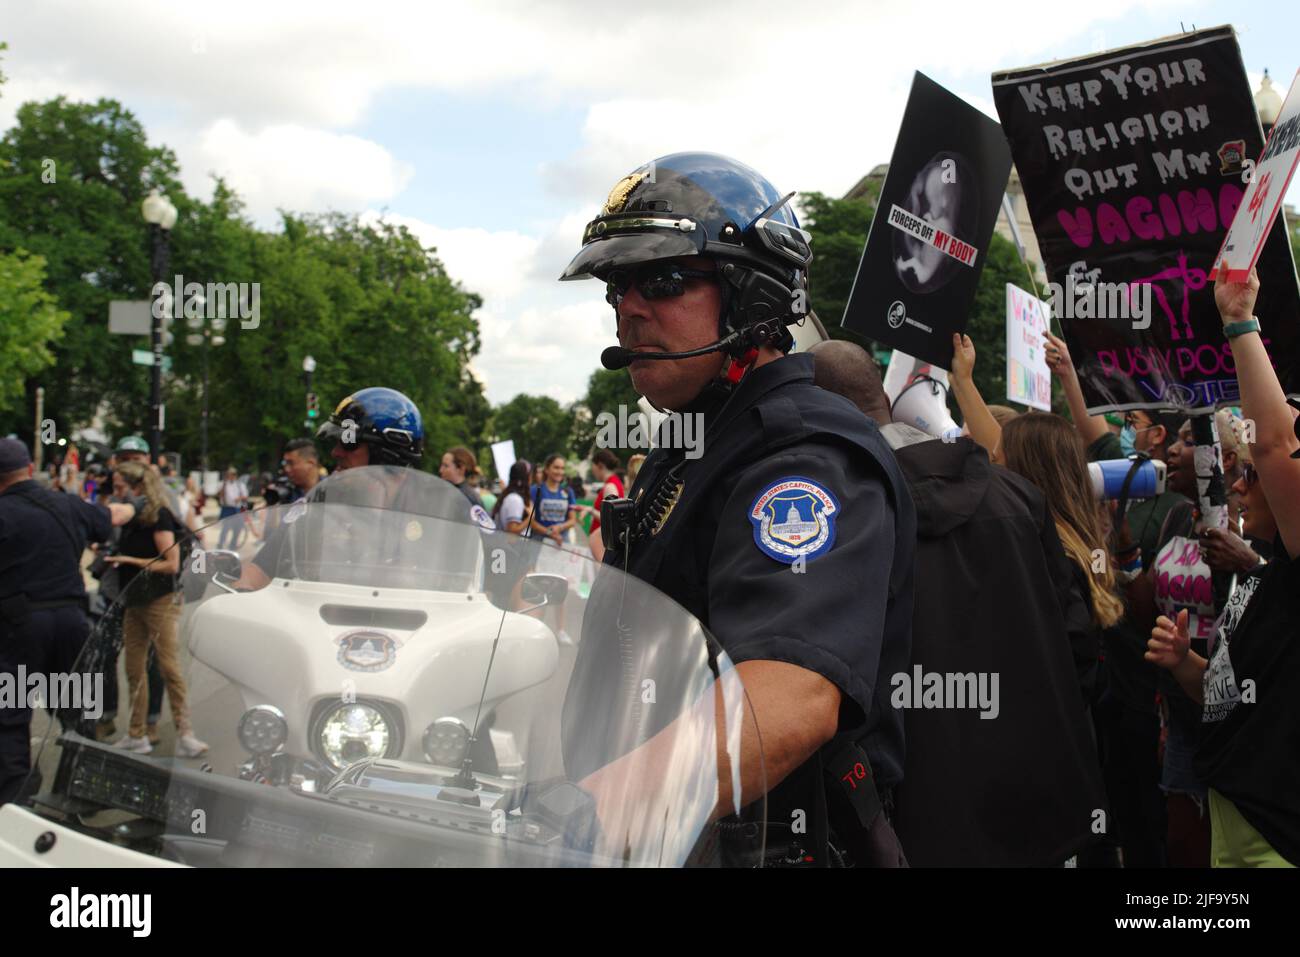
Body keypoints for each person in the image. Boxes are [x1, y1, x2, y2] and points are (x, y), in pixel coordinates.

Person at [557, 152, 916, 866]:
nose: (628, 306)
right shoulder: (696, 443)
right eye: (618, 285)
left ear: (752, 297)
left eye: (660, 279)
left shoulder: (804, 454)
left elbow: (788, 694)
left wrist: (582, 815)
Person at [809, 339, 1106, 866]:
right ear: (880, 396)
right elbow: (1078, 646)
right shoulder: (1018, 495)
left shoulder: (837, 516)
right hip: (1039, 812)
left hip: (919, 823)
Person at [1148, 268, 1300, 867]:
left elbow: (1274, 445)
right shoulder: (1262, 579)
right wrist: (1187, 663)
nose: (1238, 485)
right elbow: (1229, 692)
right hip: (1233, 805)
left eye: (1251, 476)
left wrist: (1240, 320)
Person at [1, 438, 136, 804]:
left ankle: (15, 799)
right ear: (30, 469)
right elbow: (114, 518)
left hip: (20, 628)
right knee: (76, 710)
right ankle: (83, 789)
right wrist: (134, 504)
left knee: (11, 716)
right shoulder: (66, 504)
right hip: (71, 623)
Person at [234, 387, 426, 592]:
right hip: (319, 620)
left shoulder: (433, 510)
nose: (336, 452)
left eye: (348, 442)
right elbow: (259, 570)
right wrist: (235, 595)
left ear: (387, 453)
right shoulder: (318, 502)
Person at [104, 462, 207, 757]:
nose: (116, 492)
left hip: (160, 599)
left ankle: (186, 734)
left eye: (121, 486)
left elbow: (171, 564)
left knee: (168, 666)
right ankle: (137, 734)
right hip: (134, 600)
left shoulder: (157, 515)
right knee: (133, 668)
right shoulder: (130, 516)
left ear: (137, 487)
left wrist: (129, 561)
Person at [529, 454, 578, 546]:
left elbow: (573, 520)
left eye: (562, 468)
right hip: (538, 544)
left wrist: (560, 527)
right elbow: (529, 520)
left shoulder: (568, 491)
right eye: (556, 467)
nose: (560, 471)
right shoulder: (535, 490)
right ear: (547, 469)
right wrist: (548, 531)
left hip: (561, 544)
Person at [587, 449, 624, 563]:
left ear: (600, 465)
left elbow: (612, 520)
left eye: (593, 467)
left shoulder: (610, 486)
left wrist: (591, 511)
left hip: (603, 545)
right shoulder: (613, 483)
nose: (593, 471)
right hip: (602, 543)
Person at [492, 460, 535, 535]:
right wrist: (530, 517)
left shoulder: (512, 497)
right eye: (530, 475)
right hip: (515, 546)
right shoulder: (515, 500)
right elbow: (512, 532)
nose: (532, 479)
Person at [216, 467, 248, 551]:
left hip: (237, 508)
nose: (232, 476)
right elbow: (219, 494)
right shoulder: (223, 484)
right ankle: (221, 544)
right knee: (225, 527)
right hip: (227, 508)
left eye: (233, 474)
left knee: (238, 527)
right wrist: (224, 486)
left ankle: (233, 544)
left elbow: (245, 496)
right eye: (230, 474)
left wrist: (239, 498)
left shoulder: (240, 485)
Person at [281, 437, 321, 502]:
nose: (286, 469)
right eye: (286, 463)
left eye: (291, 463)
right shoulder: (285, 494)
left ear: (310, 463)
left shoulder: (333, 491)